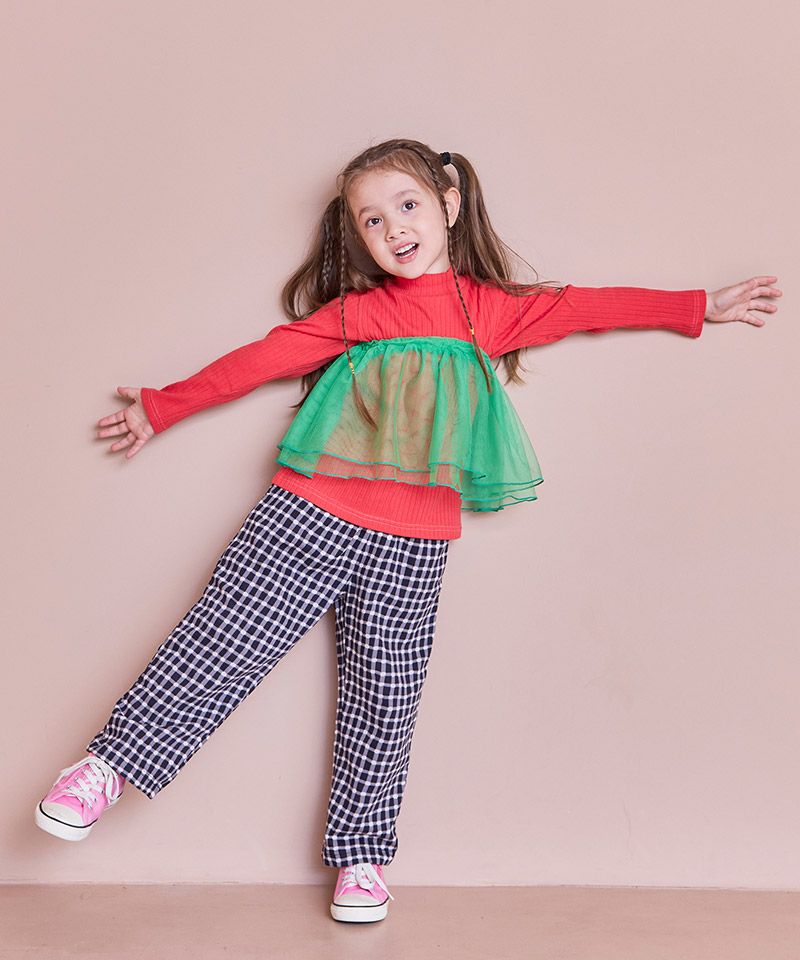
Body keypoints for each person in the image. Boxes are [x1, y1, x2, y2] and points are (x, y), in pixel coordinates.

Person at [34, 138, 781, 924]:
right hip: (307, 513)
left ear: (449, 206)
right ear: (358, 237)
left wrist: (697, 306)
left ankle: (361, 856)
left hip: (415, 540)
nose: (392, 227)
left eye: (408, 205)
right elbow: (262, 359)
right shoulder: (360, 313)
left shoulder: (488, 312)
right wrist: (160, 407)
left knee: (386, 694)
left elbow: (585, 307)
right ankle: (107, 768)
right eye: (371, 218)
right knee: (223, 637)